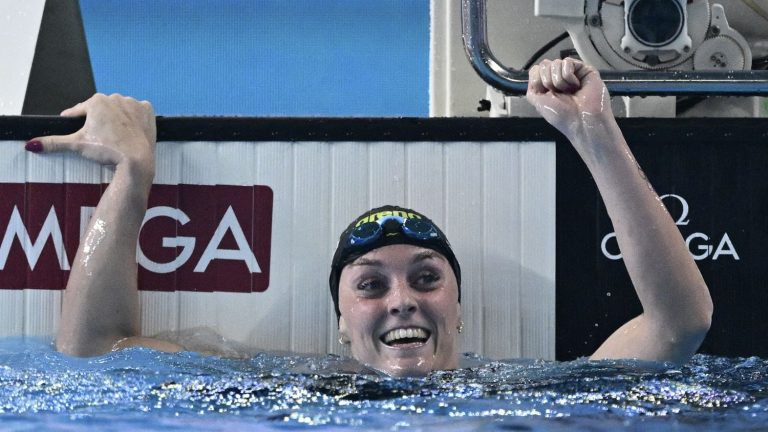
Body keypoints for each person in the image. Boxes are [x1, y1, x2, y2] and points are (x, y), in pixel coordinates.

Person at [25, 59, 712, 377]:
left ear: (460, 305)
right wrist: (132, 176)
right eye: (370, 284)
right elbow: (92, 354)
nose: (401, 300)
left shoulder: (519, 389)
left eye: (424, 276)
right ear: (341, 320)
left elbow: (678, 326)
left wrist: (596, 132)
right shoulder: (285, 385)